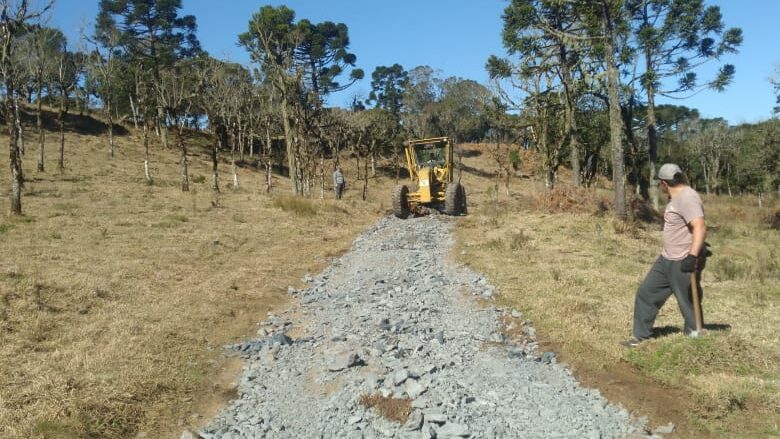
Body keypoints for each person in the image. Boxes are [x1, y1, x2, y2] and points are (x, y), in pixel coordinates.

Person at [621, 163, 707, 348]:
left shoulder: (688, 197)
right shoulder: (674, 197)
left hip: (683, 260)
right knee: (646, 292)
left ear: (663, 183)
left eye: (660, 183)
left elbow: (699, 226)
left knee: (688, 302)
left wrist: (692, 256)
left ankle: (696, 340)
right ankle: (640, 336)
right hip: (666, 258)